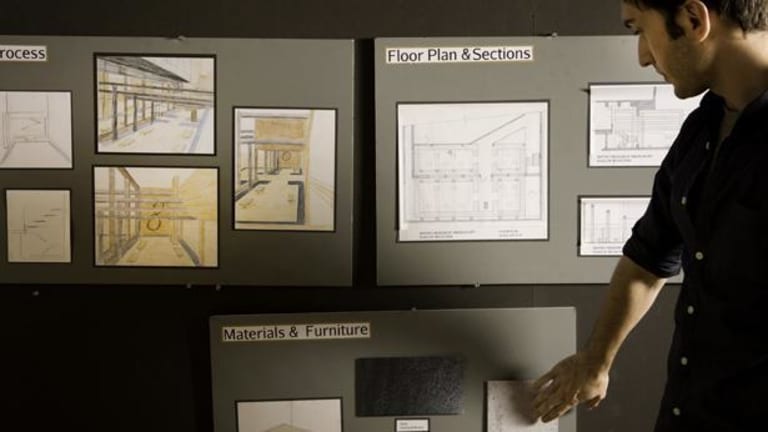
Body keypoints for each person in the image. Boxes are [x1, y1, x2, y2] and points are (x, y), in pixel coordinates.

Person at [532, 0, 768, 430]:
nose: (643, 56)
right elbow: (648, 258)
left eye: (640, 30)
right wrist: (595, 360)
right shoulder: (703, 127)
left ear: (694, 20)